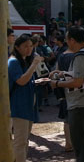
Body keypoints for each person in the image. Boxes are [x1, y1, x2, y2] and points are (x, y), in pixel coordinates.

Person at [50, 26, 84, 162]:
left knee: (82, 144)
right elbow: (83, 77)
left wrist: (57, 84)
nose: (66, 42)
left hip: (79, 105)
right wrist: (64, 74)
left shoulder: (80, 57)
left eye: (67, 39)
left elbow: (78, 82)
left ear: (72, 40)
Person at [8, 34, 44, 162]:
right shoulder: (13, 62)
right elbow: (21, 81)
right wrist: (34, 65)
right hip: (19, 107)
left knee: (24, 140)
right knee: (20, 141)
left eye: (30, 46)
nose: (29, 49)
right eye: (25, 46)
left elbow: (26, 80)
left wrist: (38, 81)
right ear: (17, 47)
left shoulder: (23, 60)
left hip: (28, 106)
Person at [54, 46, 75, 152]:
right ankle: (74, 143)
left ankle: (68, 143)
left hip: (63, 88)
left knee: (67, 120)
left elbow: (56, 72)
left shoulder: (61, 56)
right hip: (75, 89)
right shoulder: (77, 56)